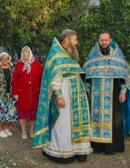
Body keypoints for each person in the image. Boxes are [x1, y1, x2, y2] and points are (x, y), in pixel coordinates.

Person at [33, 29, 92, 164]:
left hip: (76, 96)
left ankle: (78, 151)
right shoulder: (57, 56)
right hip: (65, 94)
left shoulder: (68, 55)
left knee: (76, 123)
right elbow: (54, 80)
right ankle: (61, 153)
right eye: (75, 39)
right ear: (66, 40)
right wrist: (59, 96)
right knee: (63, 124)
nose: (76, 43)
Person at [83, 31, 130, 155]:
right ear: (98, 41)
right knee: (96, 118)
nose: (104, 42)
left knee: (115, 120)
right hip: (96, 95)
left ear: (110, 40)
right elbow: (86, 75)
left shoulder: (118, 56)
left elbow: (124, 76)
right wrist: (86, 90)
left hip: (114, 93)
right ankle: (98, 147)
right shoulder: (93, 56)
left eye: (106, 40)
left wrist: (123, 91)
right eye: (101, 40)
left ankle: (112, 148)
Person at [12, 46, 43, 139]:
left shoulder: (36, 64)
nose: (26, 57)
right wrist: (15, 93)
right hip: (22, 94)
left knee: (33, 114)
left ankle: (32, 130)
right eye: (24, 55)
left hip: (34, 94)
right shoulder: (19, 65)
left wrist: (42, 92)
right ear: (22, 55)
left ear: (30, 54)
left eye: (27, 55)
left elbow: (42, 78)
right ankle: (24, 131)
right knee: (22, 114)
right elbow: (15, 80)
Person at [0, 52, 17, 138]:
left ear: (9, 59)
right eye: (3, 59)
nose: (5, 60)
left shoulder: (12, 69)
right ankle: (0, 130)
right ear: (0, 60)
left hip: (11, 94)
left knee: (9, 113)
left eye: (6, 58)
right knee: (0, 113)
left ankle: (6, 128)